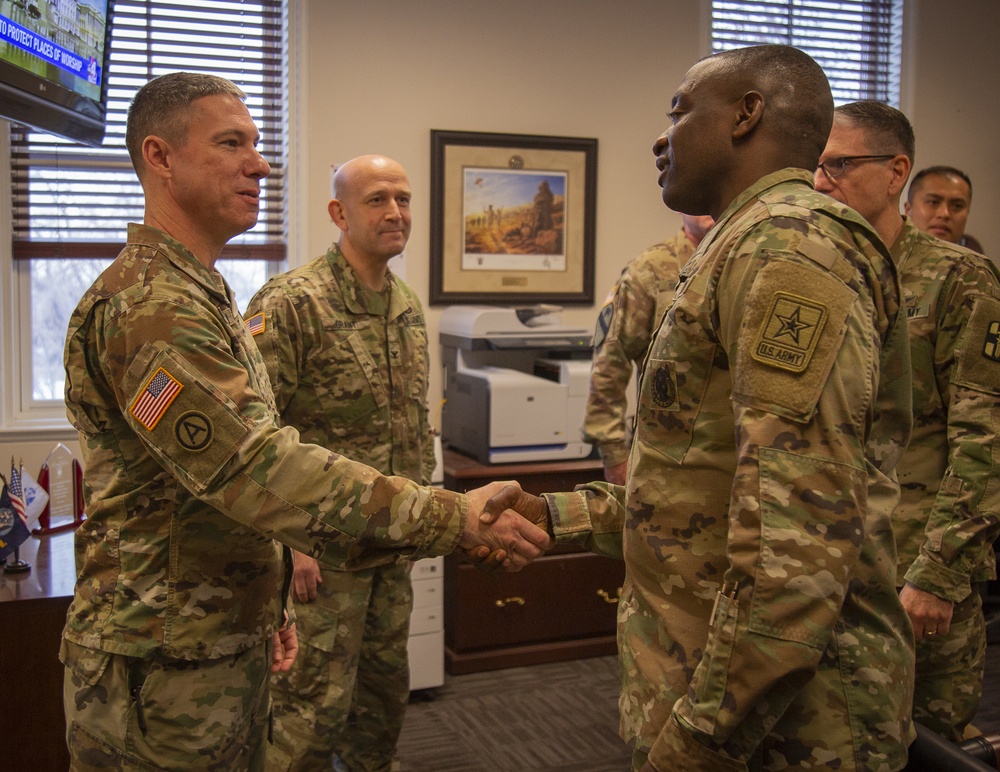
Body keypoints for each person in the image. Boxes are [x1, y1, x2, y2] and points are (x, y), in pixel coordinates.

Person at [60, 72, 551, 771]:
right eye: (232, 144)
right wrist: (451, 518)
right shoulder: (151, 308)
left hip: (221, 628)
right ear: (160, 158)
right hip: (163, 653)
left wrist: (270, 605)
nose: (260, 163)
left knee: (368, 711)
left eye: (257, 145)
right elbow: (255, 465)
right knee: (309, 732)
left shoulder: (200, 294)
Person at [484, 45, 916, 770]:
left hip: (787, 729)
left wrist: (703, 738)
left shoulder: (791, 247)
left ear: (746, 114)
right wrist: (555, 514)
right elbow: (700, 486)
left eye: (680, 112)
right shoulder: (739, 244)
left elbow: (798, 544)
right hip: (713, 690)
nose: (661, 137)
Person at [814, 100, 1000, 741]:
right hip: (826, 565)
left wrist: (940, 574)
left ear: (896, 174)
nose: (819, 181)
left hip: (915, 568)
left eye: (838, 164)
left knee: (927, 742)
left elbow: (985, 438)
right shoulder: (818, 273)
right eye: (813, 166)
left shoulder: (959, 280)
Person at [245, 155, 430, 771]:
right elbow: (256, 440)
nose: (395, 212)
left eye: (403, 199)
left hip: (391, 545)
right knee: (310, 712)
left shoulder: (404, 305)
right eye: (377, 199)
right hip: (321, 556)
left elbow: (410, 428)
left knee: (382, 699)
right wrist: (291, 543)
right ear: (339, 213)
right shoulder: (292, 303)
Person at [583, 213, 714, 484]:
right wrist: (614, 455)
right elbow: (609, 366)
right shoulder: (650, 270)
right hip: (667, 461)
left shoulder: (753, 259)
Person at [905, 165, 984, 252]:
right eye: (933, 202)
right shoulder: (889, 260)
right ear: (908, 209)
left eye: (957, 206)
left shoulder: (976, 264)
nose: (944, 213)